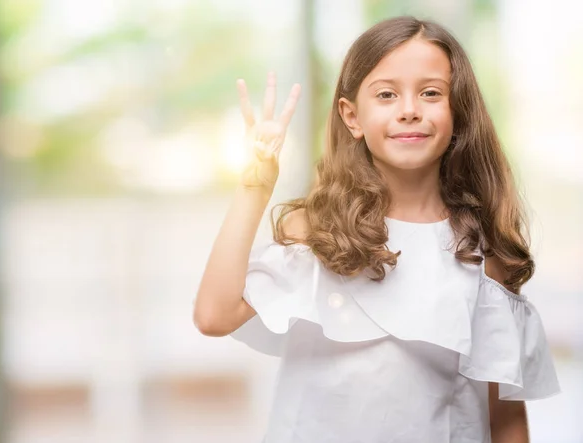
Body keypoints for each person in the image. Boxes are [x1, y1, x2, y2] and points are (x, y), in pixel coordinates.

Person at [192, 16, 561, 443]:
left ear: (456, 111)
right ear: (352, 117)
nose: (409, 109)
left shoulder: (480, 252)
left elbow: (505, 419)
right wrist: (255, 184)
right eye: (386, 94)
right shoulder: (318, 232)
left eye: (430, 93)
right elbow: (214, 315)